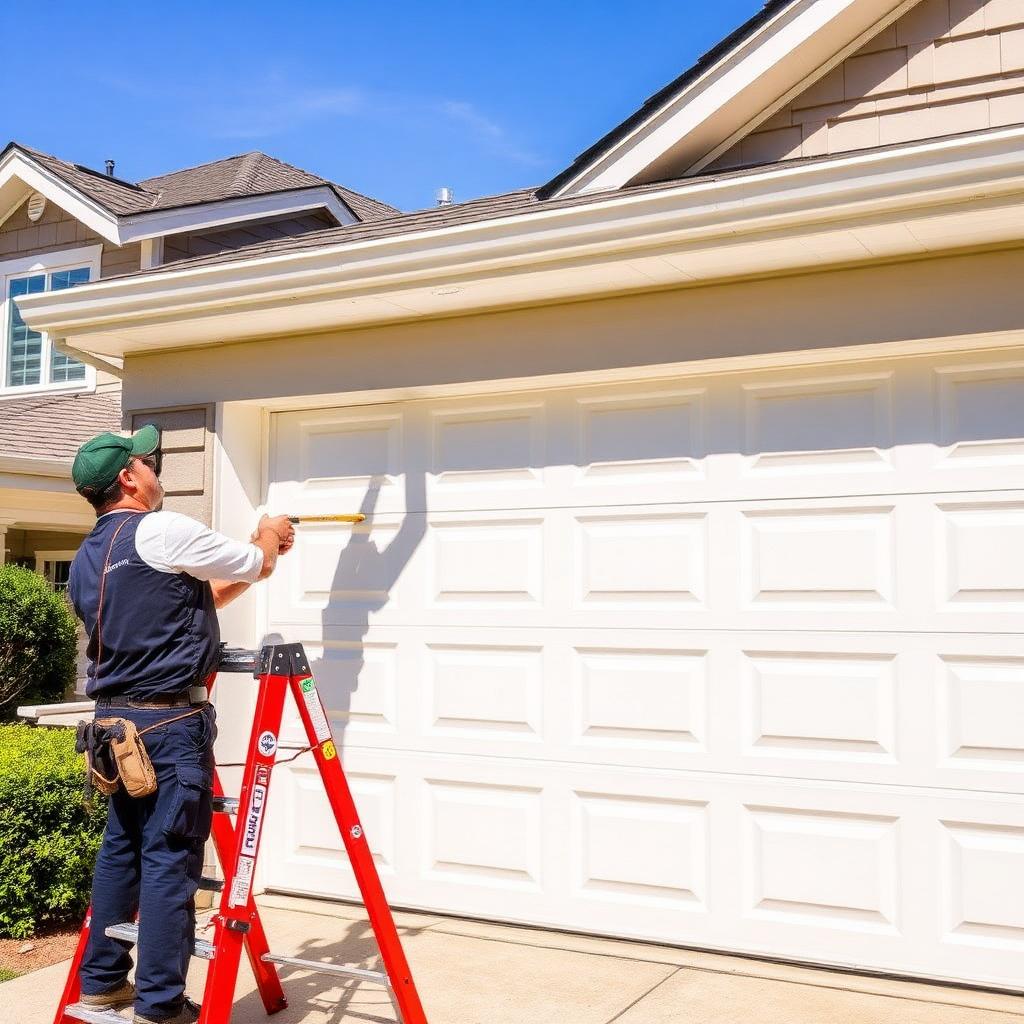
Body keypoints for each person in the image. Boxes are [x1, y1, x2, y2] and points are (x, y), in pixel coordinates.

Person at [65, 424, 295, 1024]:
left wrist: (251, 565)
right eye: (147, 461)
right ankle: (161, 1005)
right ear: (128, 479)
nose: (155, 469)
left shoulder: (89, 555)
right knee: (170, 861)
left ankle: (103, 983)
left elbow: (197, 600)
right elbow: (255, 561)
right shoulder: (161, 529)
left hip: (115, 727)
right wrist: (268, 535)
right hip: (168, 726)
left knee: (122, 850)